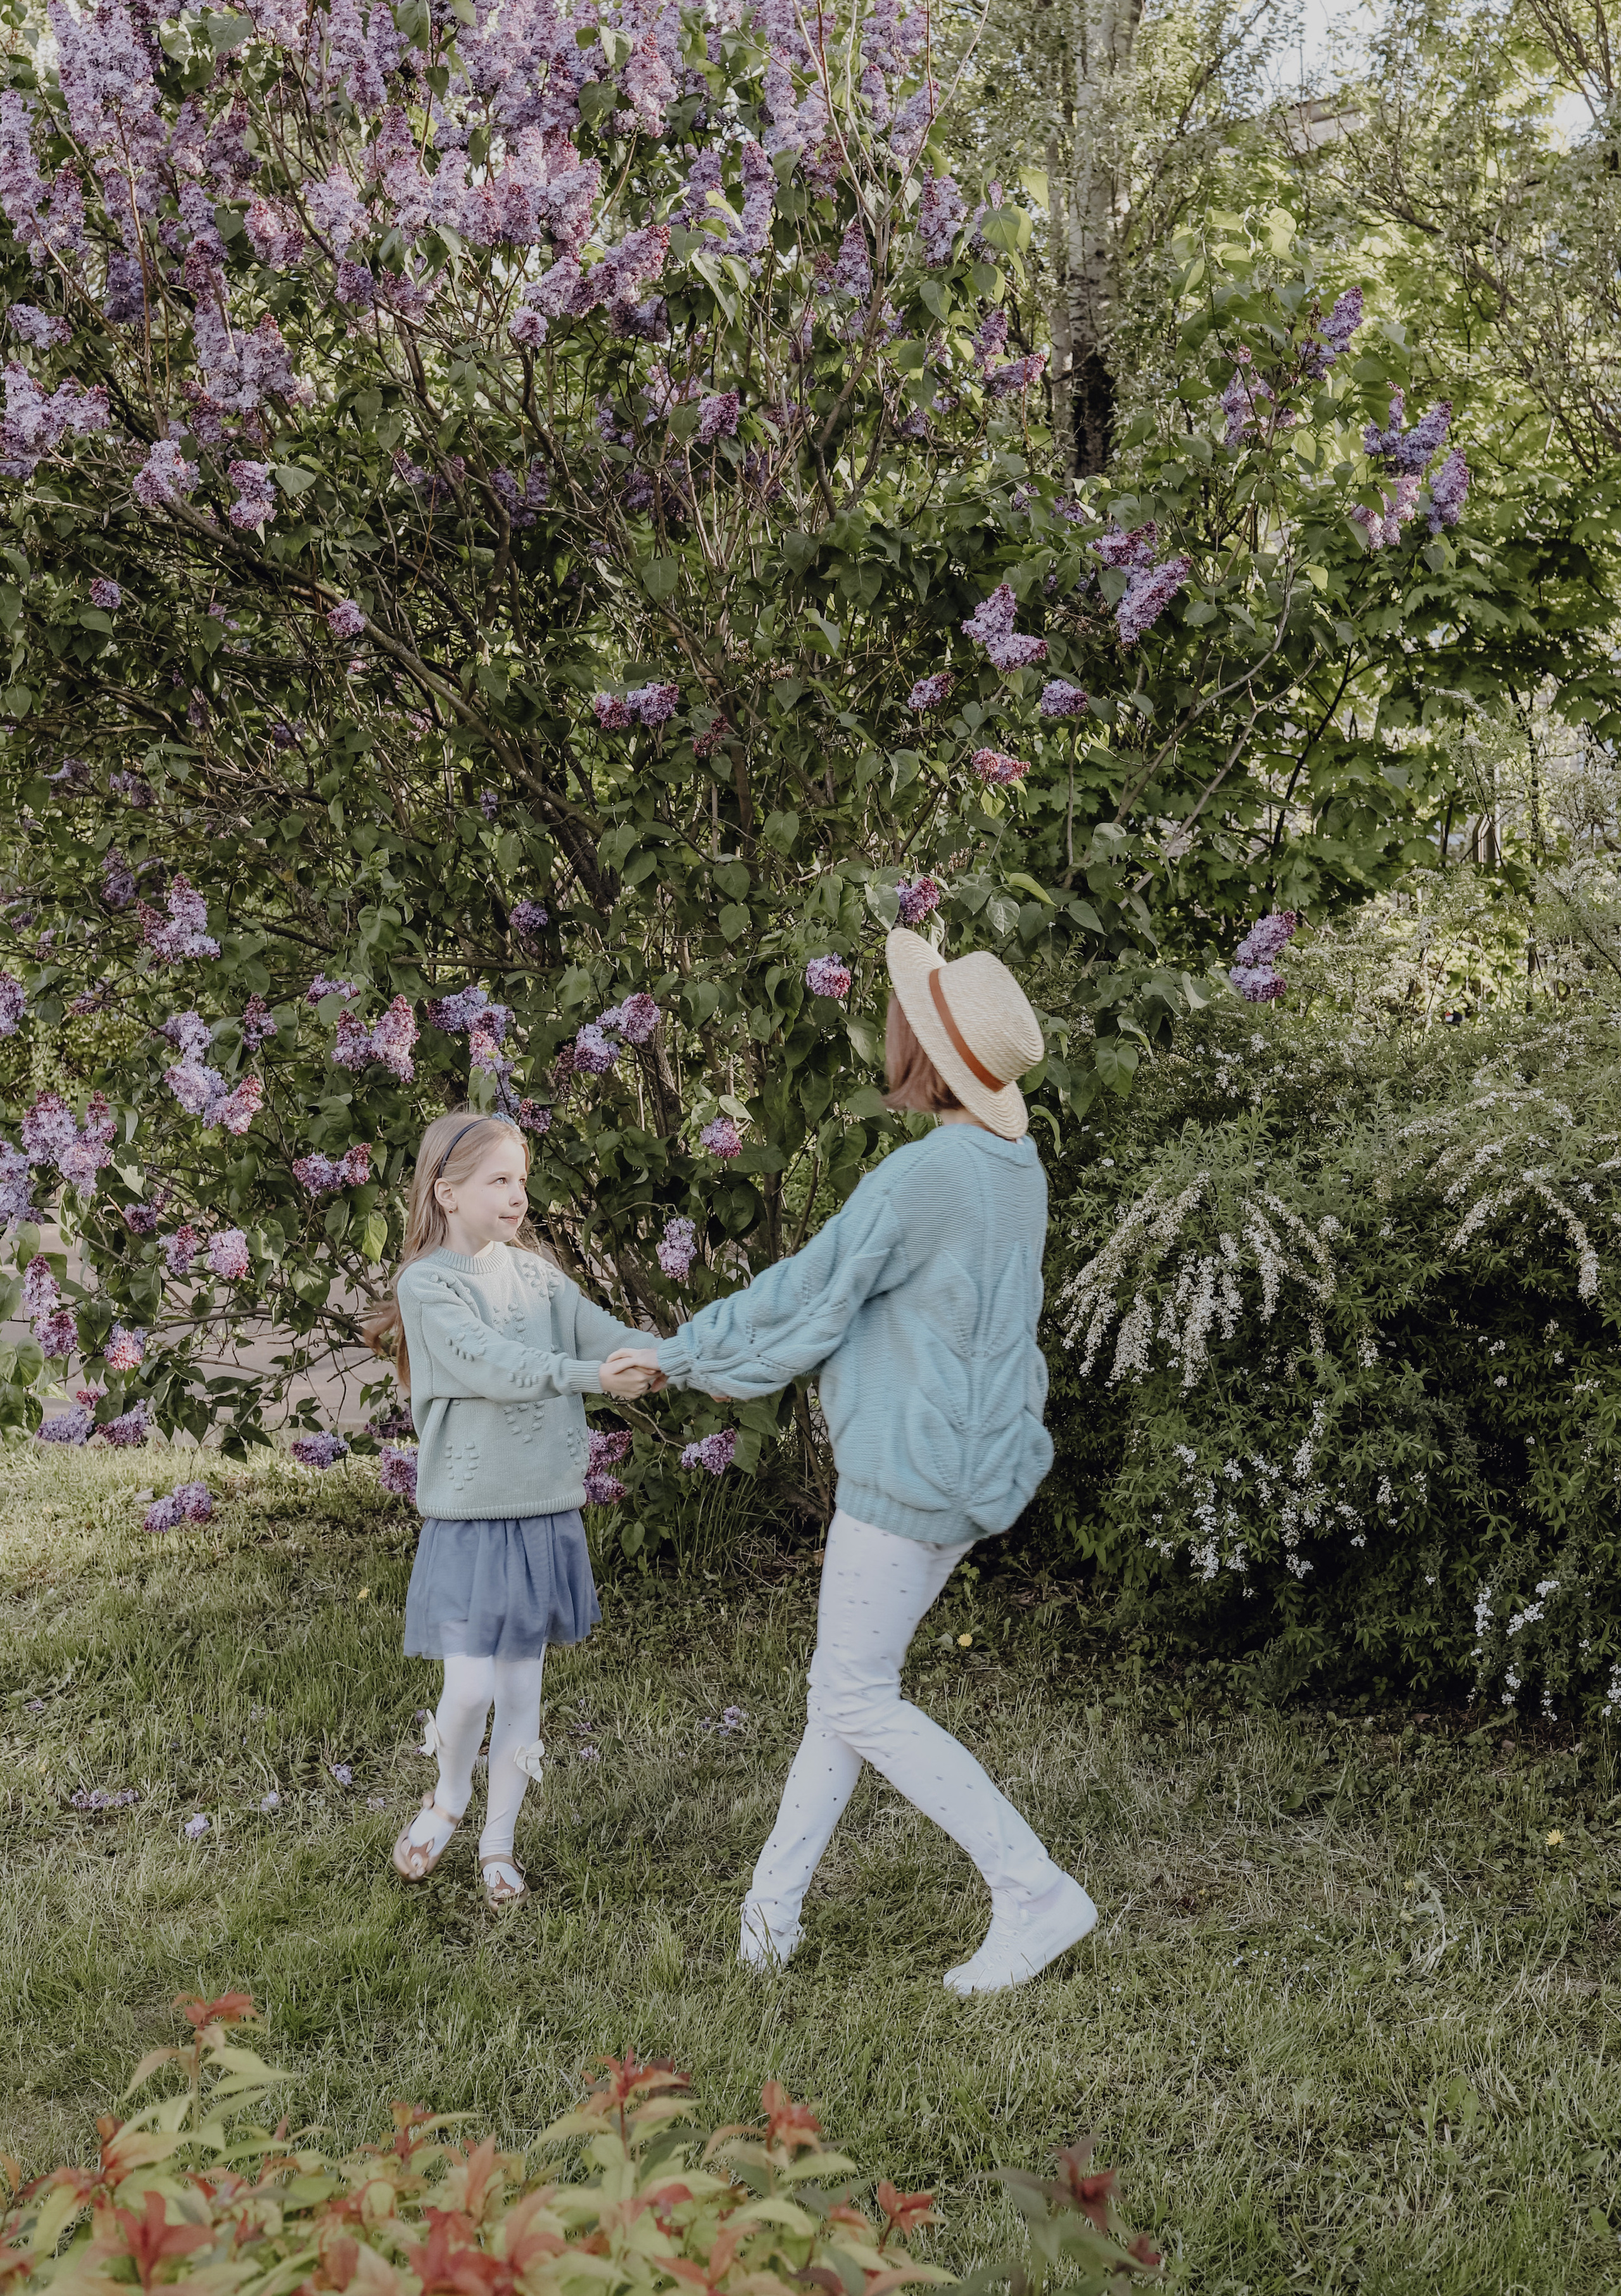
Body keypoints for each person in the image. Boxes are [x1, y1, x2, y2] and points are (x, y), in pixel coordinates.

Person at [604, 929, 1095, 1993]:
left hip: (912, 1481)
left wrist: (682, 1357)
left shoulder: (925, 1175)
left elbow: (809, 1292)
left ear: (921, 1048)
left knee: (860, 1697)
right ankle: (768, 1919)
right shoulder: (1017, 1166)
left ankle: (1034, 1890)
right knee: (847, 1688)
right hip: (974, 1472)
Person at [367, 1109, 660, 1907]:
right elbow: (495, 1364)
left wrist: (673, 1354)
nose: (517, 1196)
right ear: (448, 1191)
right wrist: (592, 1378)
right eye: (499, 1180)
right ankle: (448, 1798)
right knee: (467, 1688)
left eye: (522, 1180)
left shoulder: (538, 1278)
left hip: (542, 1511)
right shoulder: (427, 1284)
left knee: (521, 1690)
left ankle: (498, 1839)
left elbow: (606, 1335)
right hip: (468, 1516)